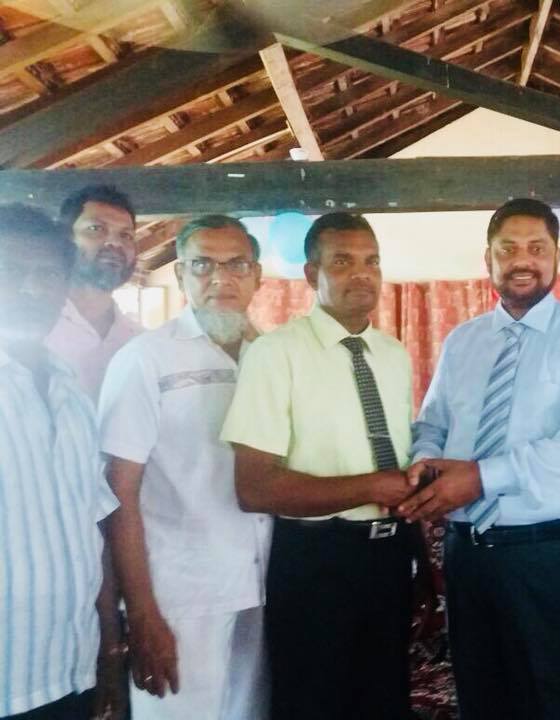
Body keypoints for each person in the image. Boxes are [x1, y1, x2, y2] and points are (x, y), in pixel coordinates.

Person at [399, 198, 560, 720]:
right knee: (481, 698)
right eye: (508, 249)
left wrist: (481, 478)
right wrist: (426, 462)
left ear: (556, 257)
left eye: (536, 248)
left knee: (555, 702)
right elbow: (432, 424)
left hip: (548, 555)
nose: (522, 260)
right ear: (489, 259)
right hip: (467, 556)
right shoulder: (463, 341)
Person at [221, 212, 427, 720]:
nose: (362, 274)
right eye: (343, 262)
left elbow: (398, 462)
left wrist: (419, 557)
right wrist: (370, 487)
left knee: (384, 700)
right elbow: (254, 487)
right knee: (313, 702)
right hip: (316, 560)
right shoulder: (276, 354)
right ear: (312, 274)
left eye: (371, 262)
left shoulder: (393, 354)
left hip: (390, 556)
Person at [99, 216, 271, 720]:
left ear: (257, 275)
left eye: (236, 264)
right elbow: (118, 491)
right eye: (202, 265)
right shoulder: (146, 359)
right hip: (182, 593)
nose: (221, 279)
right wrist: (142, 612)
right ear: (180, 275)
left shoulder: (272, 354)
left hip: (266, 583)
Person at [0, 204, 119, 719]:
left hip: (71, 670)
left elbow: (93, 530)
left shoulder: (73, 395)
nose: (30, 289)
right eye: (10, 271)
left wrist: (109, 649)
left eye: (46, 275)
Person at [46, 185, 140, 399]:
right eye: (96, 229)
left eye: (126, 235)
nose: (115, 243)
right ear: (65, 239)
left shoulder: (140, 340)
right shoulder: (37, 328)